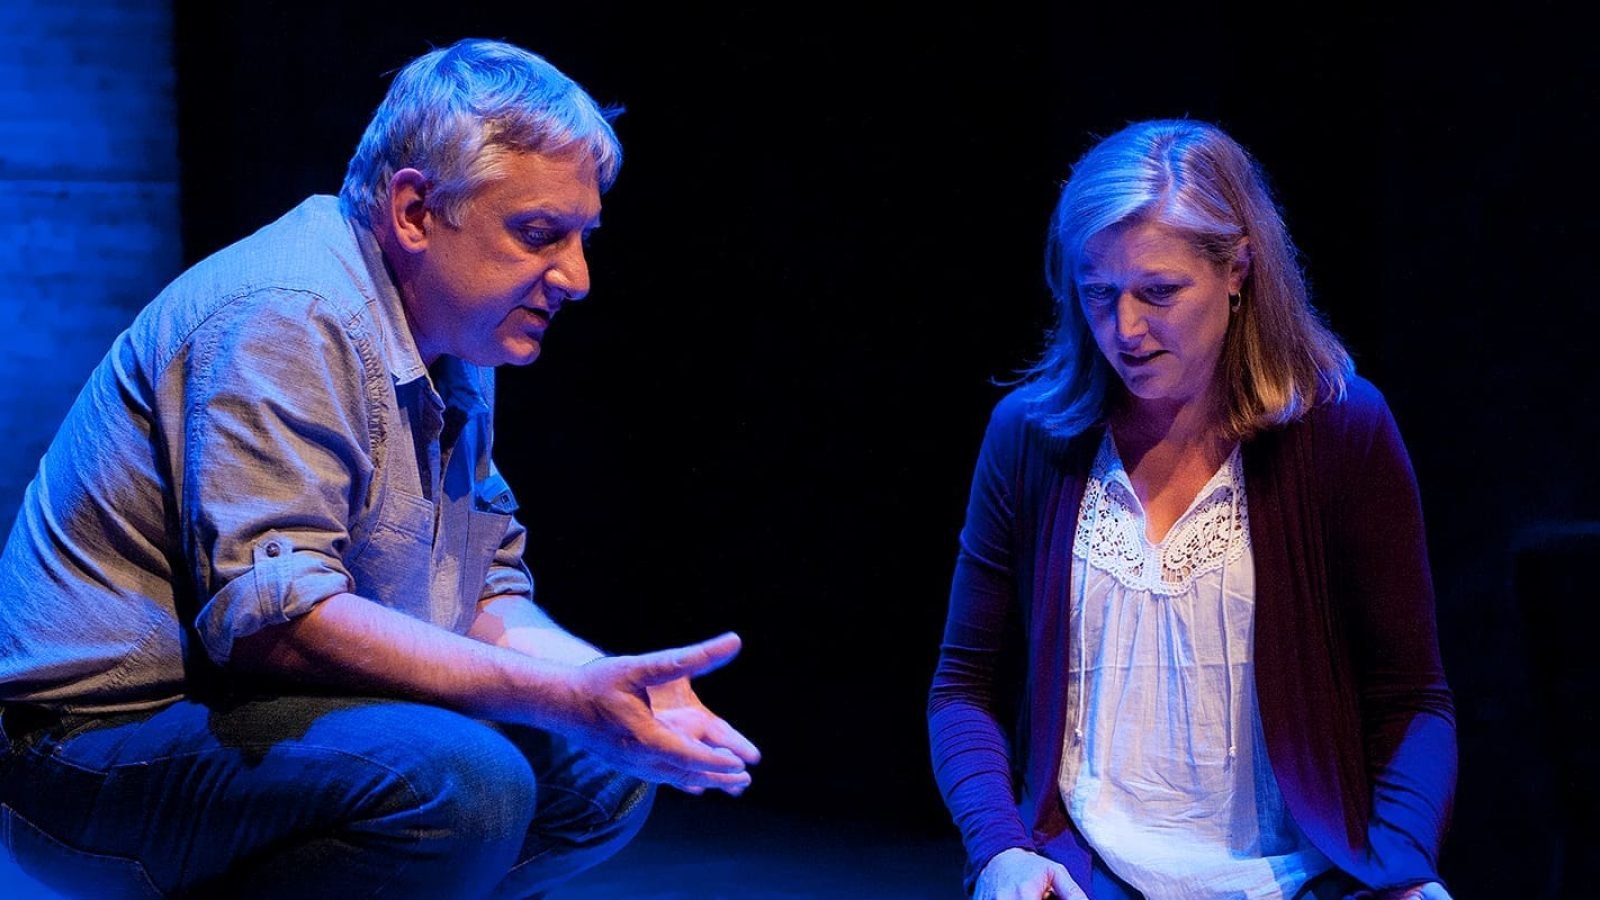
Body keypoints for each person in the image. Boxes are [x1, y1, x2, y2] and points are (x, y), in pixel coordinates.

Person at [0, 38, 759, 899]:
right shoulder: (290, 313)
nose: (578, 277)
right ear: (413, 211)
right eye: (540, 234)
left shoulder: (452, 336)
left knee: (606, 766)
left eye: (584, 238)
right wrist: (556, 698)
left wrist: (607, 691)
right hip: (87, 747)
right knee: (465, 785)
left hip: (248, 716)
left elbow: (484, 596)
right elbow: (276, 626)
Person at [926, 119, 1456, 900]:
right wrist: (1001, 850)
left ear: (1237, 267)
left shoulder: (1341, 431)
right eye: (1098, 293)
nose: (1126, 329)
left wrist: (1401, 870)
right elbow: (963, 688)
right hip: (1083, 877)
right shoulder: (1032, 439)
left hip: (1300, 880)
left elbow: (1414, 700)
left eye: (1159, 292)